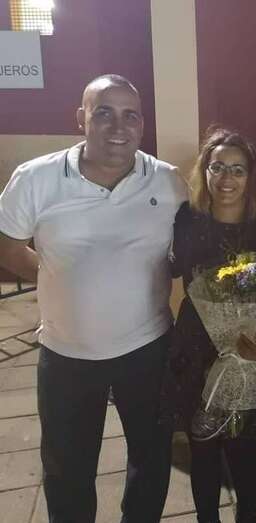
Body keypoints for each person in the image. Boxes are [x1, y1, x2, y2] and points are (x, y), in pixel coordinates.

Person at [0, 75, 187, 522]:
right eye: (103, 113)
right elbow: (7, 246)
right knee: (67, 469)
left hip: (147, 349)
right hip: (67, 354)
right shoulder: (36, 178)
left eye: (130, 115)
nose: (118, 127)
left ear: (142, 125)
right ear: (80, 119)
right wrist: (58, 274)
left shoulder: (167, 182)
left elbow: (192, 245)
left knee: (151, 459)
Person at [160, 128, 256, 523]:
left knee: (243, 446)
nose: (226, 179)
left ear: (250, 177)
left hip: (248, 350)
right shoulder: (186, 220)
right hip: (195, 348)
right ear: (204, 171)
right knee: (201, 446)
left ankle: (247, 517)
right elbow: (170, 267)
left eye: (237, 169)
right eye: (217, 167)